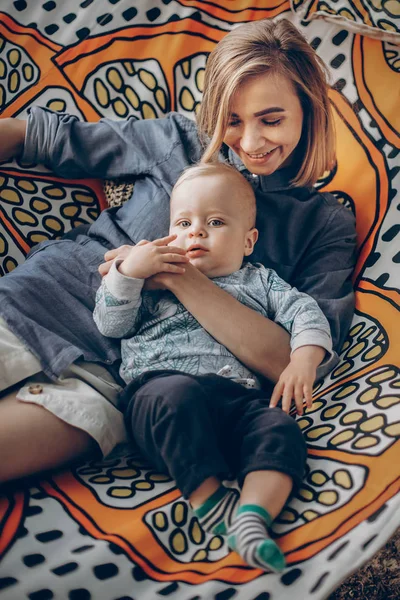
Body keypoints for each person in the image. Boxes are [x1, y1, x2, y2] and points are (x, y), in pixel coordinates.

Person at [0, 18, 356, 483]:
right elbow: (45, 137)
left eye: (271, 120)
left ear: (308, 109)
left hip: (115, 386)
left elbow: (295, 359)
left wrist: (177, 275)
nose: (250, 142)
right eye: (232, 120)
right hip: (39, 304)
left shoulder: (324, 222)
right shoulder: (178, 141)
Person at [93, 161, 334, 572]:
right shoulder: (153, 281)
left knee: (280, 429)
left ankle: (253, 517)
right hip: (161, 390)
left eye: (216, 221)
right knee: (175, 399)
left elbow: (306, 314)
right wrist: (127, 271)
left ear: (248, 241)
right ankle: (211, 501)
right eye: (183, 222)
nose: (195, 232)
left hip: (239, 400)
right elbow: (110, 323)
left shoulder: (262, 282)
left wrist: (304, 359)